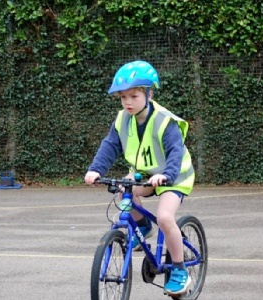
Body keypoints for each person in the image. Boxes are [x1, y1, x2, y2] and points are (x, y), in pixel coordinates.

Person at [84, 60, 195, 295]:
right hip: (145, 173)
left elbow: (175, 151)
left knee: (165, 217)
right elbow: (110, 145)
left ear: (148, 93)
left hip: (175, 175)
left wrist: (167, 175)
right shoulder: (122, 119)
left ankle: (179, 269)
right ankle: (143, 227)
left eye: (133, 96)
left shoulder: (165, 120)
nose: (127, 102)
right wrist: (96, 169)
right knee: (125, 190)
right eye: (123, 97)